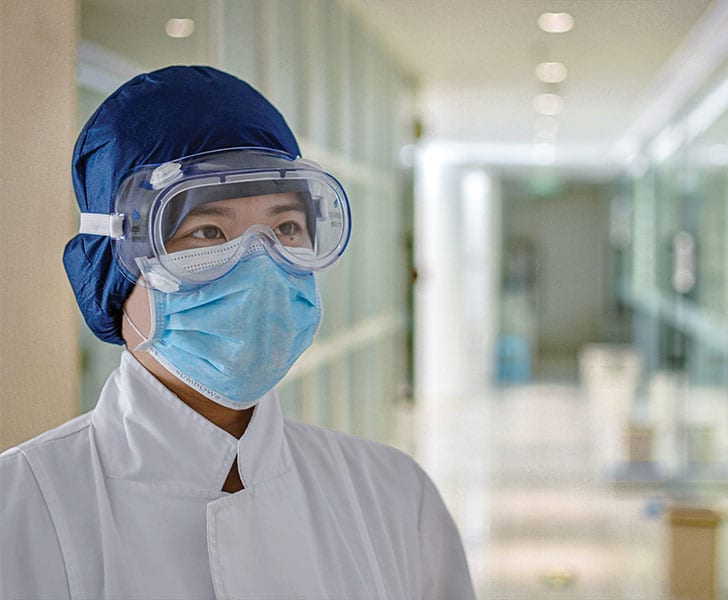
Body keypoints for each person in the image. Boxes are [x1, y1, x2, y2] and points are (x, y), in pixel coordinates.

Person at [0, 66, 475, 599]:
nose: (261, 265)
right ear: (112, 265)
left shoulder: (392, 496)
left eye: (286, 228)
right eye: (207, 231)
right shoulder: (19, 512)